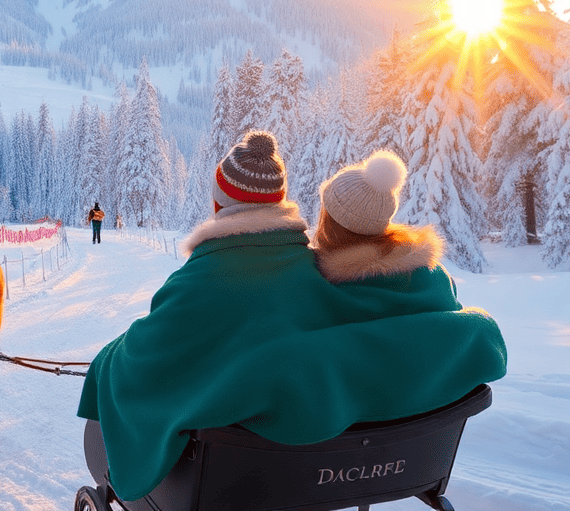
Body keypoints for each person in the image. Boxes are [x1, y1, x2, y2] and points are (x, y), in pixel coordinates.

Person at [76, 132, 506, 502]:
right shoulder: (323, 278)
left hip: (244, 467)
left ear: (217, 203)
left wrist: (110, 362)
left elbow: (153, 359)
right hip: (379, 450)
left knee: (113, 399)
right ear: (281, 199)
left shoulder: (202, 283)